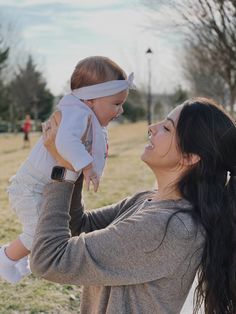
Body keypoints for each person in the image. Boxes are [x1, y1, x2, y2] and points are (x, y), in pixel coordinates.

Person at [30, 97, 236, 314]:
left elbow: (49, 259)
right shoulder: (148, 200)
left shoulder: (167, 227)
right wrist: (75, 162)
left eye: (166, 128)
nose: (152, 128)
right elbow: (82, 226)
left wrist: (64, 172)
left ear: (190, 157)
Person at [0, 56, 134, 284]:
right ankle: (5, 258)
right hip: (30, 186)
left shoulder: (85, 114)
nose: (120, 110)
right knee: (38, 234)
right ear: (91, 99)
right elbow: (65, 142)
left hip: (42, 185)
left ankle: (16, 257)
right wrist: (87, 166)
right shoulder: (76, 113)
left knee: (46, 229)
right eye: (116, 103)